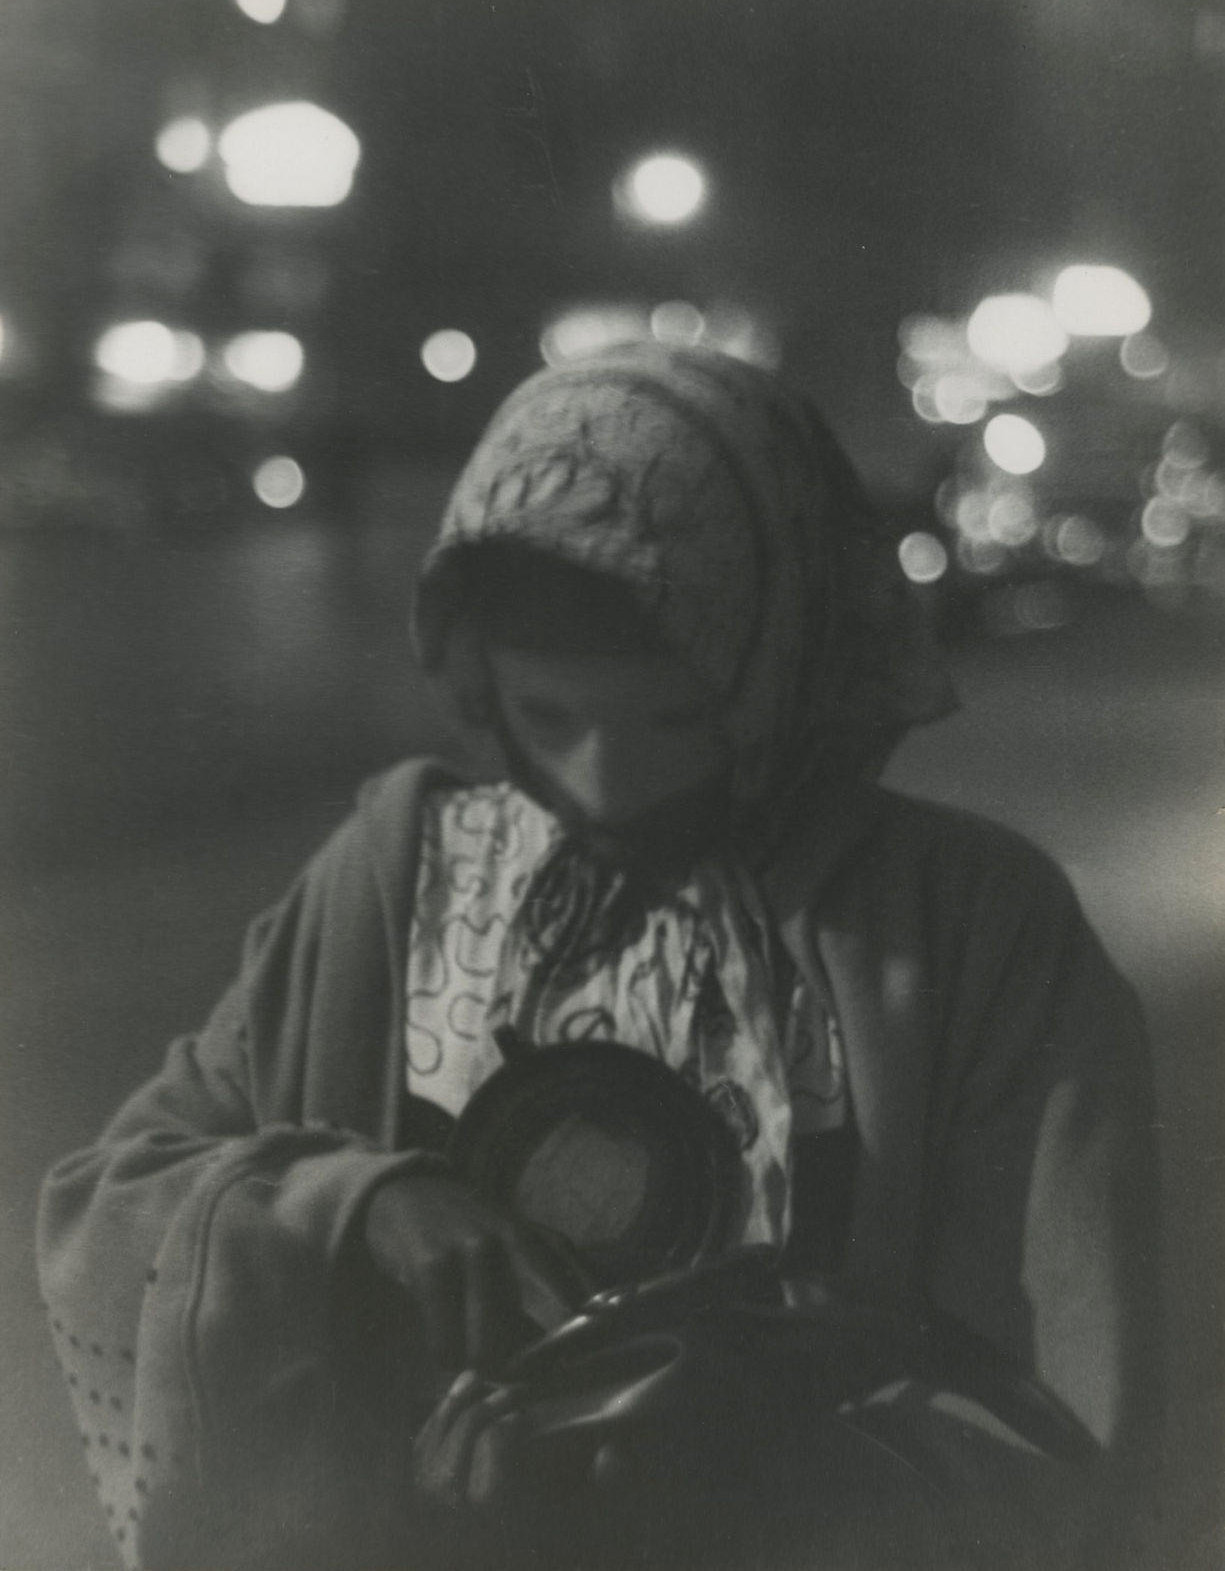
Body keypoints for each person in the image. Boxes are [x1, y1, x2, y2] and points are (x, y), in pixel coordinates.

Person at [37, 343, 1162, 1571]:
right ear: (476, 684)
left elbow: (1065, 1409)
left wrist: (768, 1469)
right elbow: (119, 1201)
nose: (607, 786)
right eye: (549, 717)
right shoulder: (399, 872)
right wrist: (352, 1207)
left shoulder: (968, 925)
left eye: (677, 717)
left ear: (783, 660)